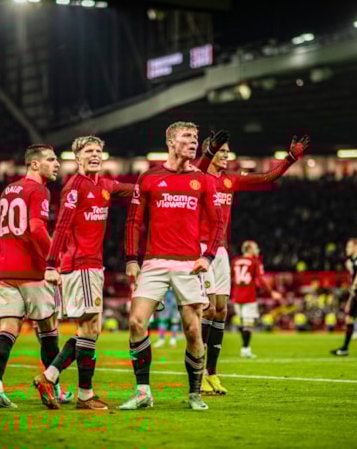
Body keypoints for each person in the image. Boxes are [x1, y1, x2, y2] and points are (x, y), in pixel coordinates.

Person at [119, 121, 224, 411]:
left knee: (193, 330)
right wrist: (131, 259)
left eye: (196, 137)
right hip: (153, 262)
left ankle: (194, 394)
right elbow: (133, 221)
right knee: (136, 322)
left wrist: (208, 256)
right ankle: (143, 392)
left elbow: (218, 223)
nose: (193, 141)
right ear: (170, 142)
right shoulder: (149, 177)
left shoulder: (203, 180)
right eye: (187, 136)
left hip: (189, 264)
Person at [194, 130, 308, 394]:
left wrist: (290, 159)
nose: (226, 155)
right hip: (199, 249)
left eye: (227, 151)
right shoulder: (197, 178)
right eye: (221, 150)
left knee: (221, 309)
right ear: (210, 151)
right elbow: (200, 167)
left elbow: (267, 177)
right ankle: (197, 372)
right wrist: (208, 151)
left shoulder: (230, 180)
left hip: (222, 251)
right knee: (208, 310)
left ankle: (212, 373)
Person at [34, 135, 133, 410]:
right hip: (81, 265)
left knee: (90, 330)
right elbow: (62, 226)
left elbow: (136, 188)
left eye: (98, 150)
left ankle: (49, 377)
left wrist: (165, 181)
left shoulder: (105, 185)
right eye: (88, 151)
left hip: (93, 266)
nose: (95, 154)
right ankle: (84, 394)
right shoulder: (75, 187)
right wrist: (51, 265)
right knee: (89, 329)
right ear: (77, 158)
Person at [0, 144, 61, 409]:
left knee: (7, 330)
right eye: (51, 159)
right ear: (34, 164)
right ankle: (55, 388)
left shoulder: (7, 190)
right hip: (33, 270)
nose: (57, 164)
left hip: (6, 269)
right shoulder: (40, 190)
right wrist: (54, 259)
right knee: (48, 330)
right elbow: (37, 228)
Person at [230, 240, 282, 359]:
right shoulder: (255, 262)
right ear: (249, 249)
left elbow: (230, 278)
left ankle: (245, 348)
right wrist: (271, 292)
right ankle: (245, 349)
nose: (257, 249)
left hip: (236, 297)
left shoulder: (234, 261)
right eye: (255, 247)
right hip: (249, 297)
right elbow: (261, 279)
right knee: (248, 325)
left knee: (243, 324)